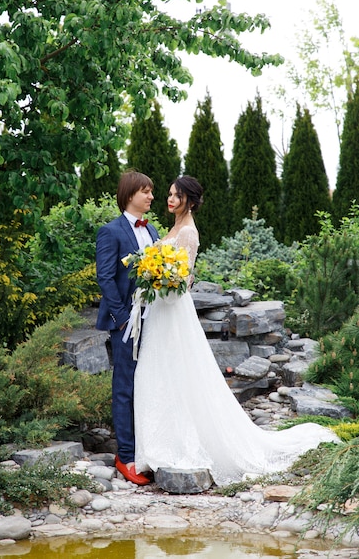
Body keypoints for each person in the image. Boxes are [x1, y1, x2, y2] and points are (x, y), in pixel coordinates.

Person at [134, 175, 339, 486]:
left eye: (175, 196)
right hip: (161, 311)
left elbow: (184, 280)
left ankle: (179, 445)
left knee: (177, 371)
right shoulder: (173, 227)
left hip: (174, 310)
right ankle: (155, 447)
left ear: (189, 200)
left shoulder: (188, 232)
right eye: (169, 195)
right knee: (159, 371)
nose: (169, 200)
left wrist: (160, 280)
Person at [96, 170, 159, 485]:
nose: (150, 197)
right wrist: (121, 318)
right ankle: (127, 456)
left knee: (150, 385)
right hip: (126, 323)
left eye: (151, 192)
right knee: (124, 388)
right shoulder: (111, 232)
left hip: (155, 321)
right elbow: (105, 277)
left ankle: (151, 451)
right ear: (129, 194)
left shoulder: (154, 230)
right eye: (145, 192)